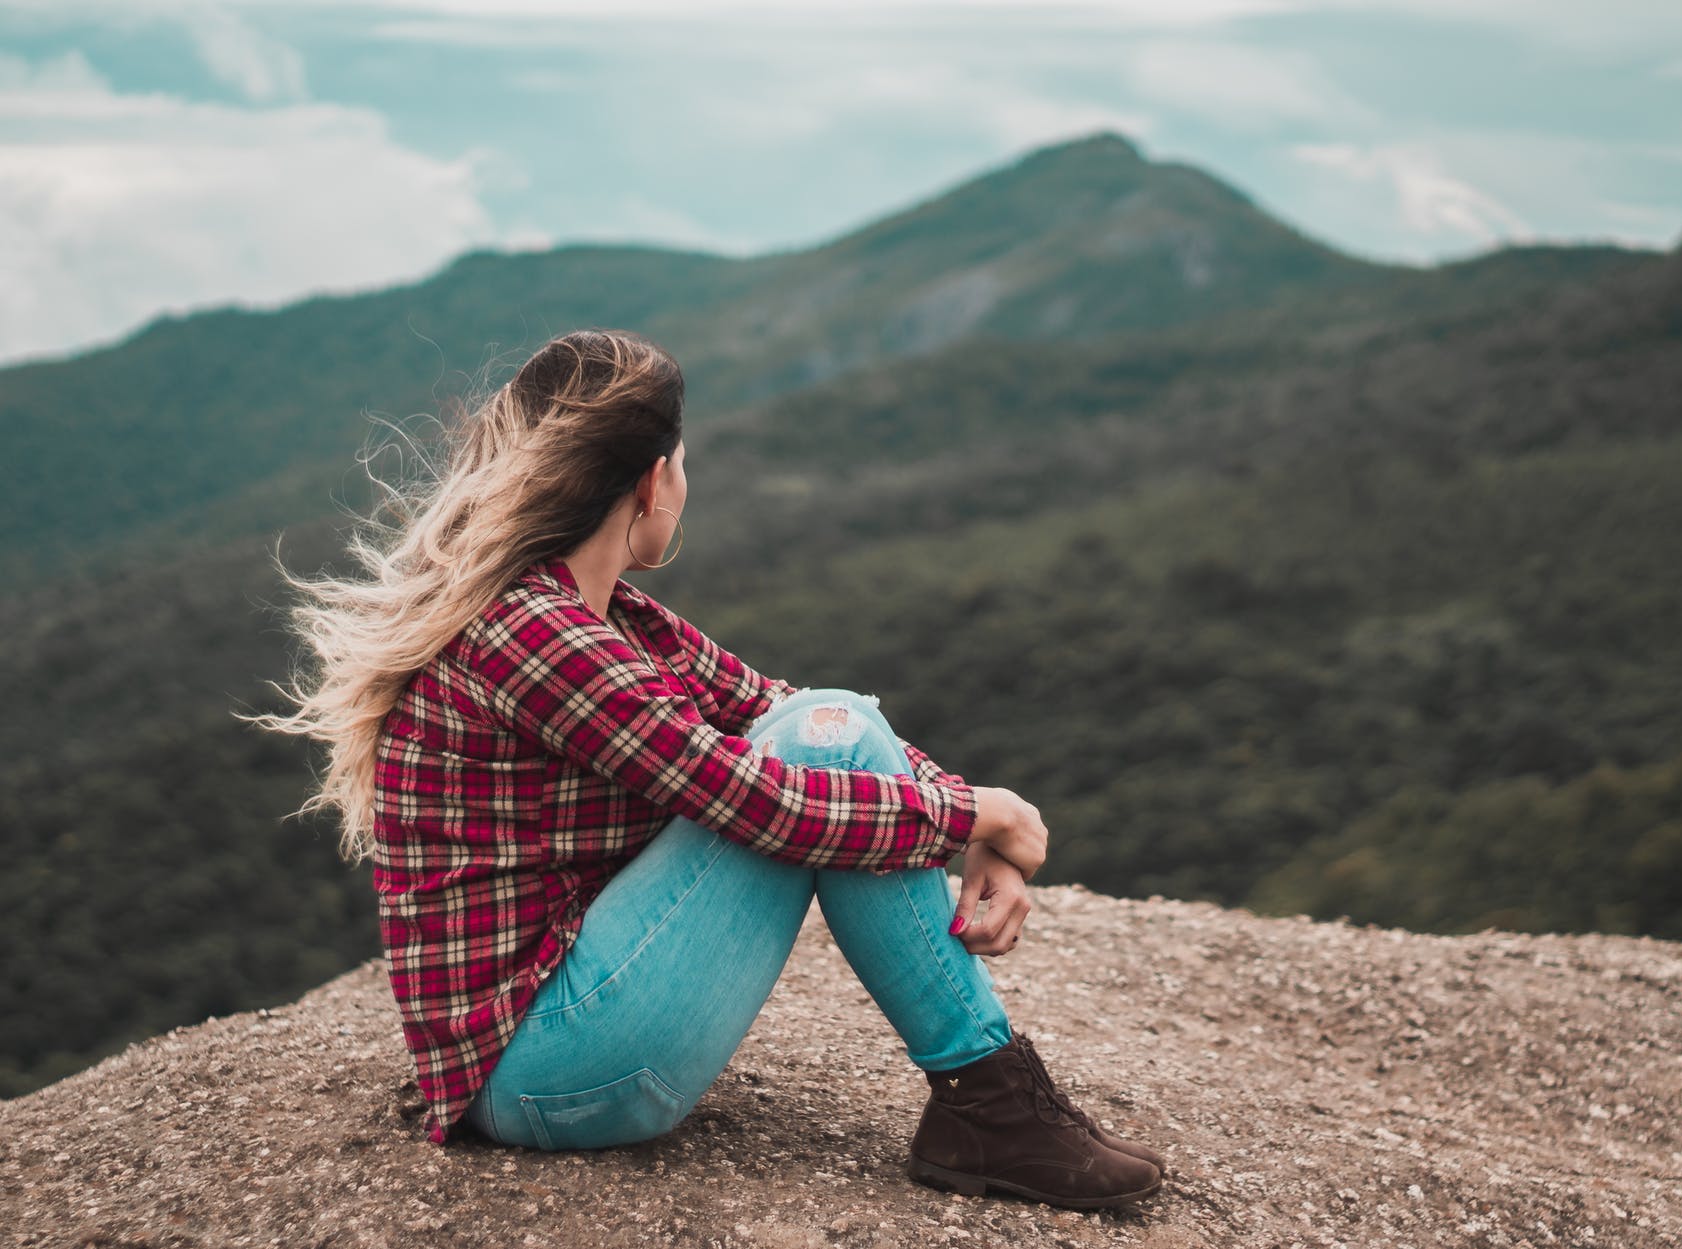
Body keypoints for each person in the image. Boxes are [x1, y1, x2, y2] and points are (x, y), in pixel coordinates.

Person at [257, 328, 1163, 1210]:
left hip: (565, 1032)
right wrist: (976, 815)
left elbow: (790, 708)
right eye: (682, 464)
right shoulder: (535, 633)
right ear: (653, 480)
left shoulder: (603, 617)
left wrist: (970, 818)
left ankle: (993, 1103)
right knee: (814, 750)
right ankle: (992, 1104)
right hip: (542, 1068)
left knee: (823, 719)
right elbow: (760, 798)